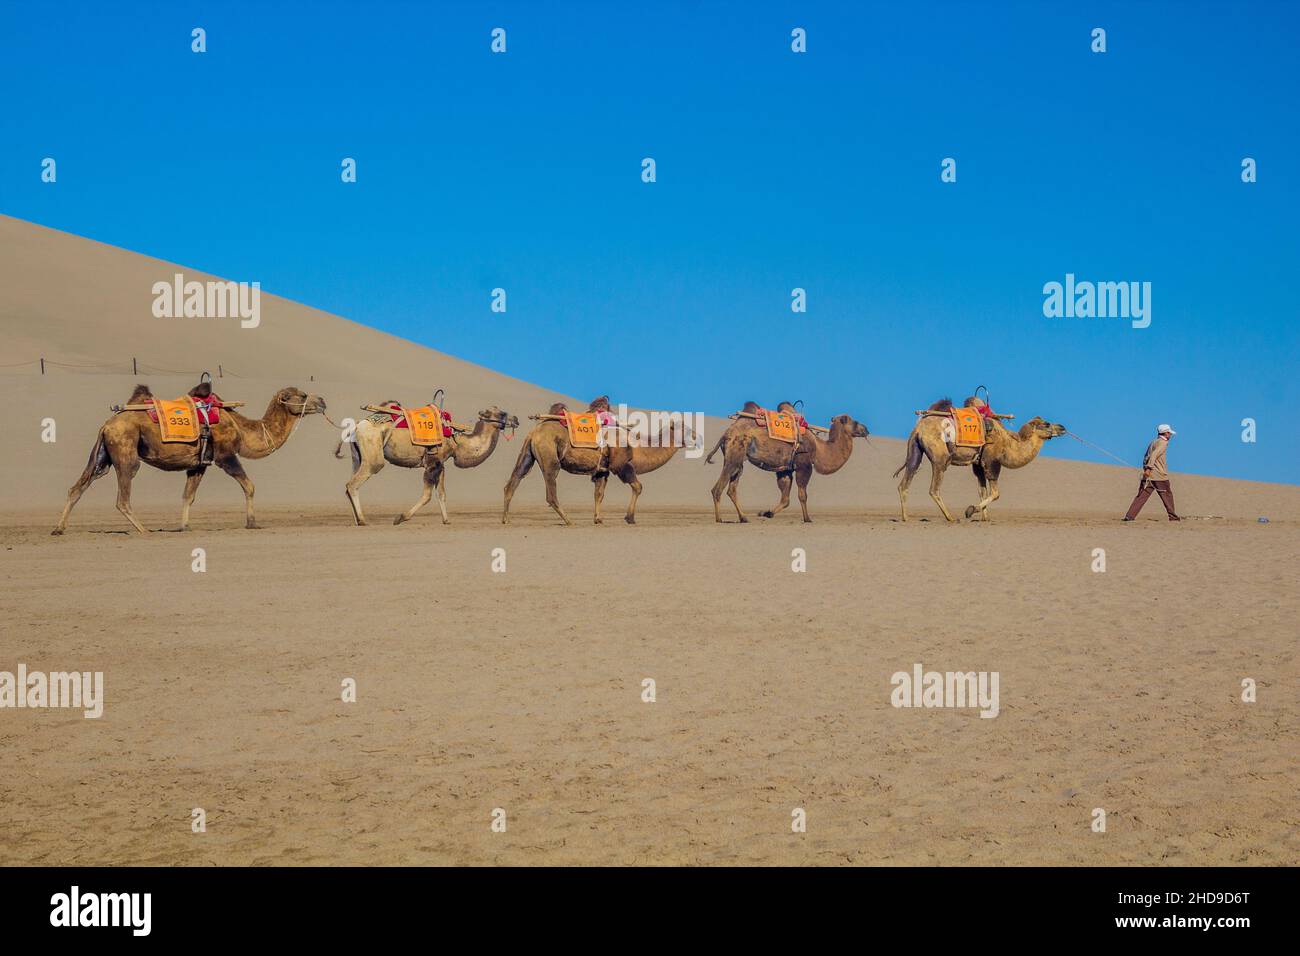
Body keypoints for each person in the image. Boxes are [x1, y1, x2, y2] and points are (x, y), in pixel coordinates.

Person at [1123, 424, 1180, 521]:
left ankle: (1130, 516)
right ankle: (1173, 517)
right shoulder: (1163, 443)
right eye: (1169, 433)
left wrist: (1146, 470)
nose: (1170, 435)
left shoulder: (1154, 442)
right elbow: (1154, 455)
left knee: (1141, 496)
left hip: (1149, 476)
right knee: (1167, 496)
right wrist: (1149, 468)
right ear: (1166, 433)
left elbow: (1146, 457)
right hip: (1159, 476)